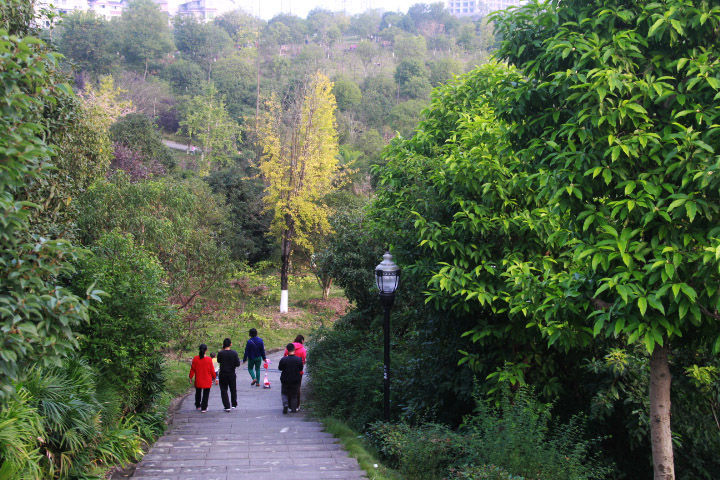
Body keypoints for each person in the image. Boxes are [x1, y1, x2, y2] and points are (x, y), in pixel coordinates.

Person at [189, 343, 216, 413]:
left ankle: (198, 405)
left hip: (198, 379)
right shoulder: (209, 359)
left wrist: (190, 377)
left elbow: (192, 369)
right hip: (207, 379)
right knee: (206, 394)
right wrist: (214, 377)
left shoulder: (195, 358)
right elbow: (212, 370)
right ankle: (204, 408)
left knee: (198, 393)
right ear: (206, 350)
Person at [278, 343, 304, 414]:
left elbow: (280, 368)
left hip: (285, 379)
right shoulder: (298, 359)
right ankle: (293, 409)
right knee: (294, 395)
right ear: (294, 349)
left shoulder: (283, 359)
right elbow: (301, 369)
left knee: (284, 393)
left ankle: (285, 403)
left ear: (287, 350)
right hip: (295, 379)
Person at [217, 338, 241, 412]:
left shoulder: (221, 353)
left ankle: (227, 406)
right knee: (233, 389)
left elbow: (218, 360)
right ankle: (234, 404)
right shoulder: (234, 353)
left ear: (223, 345)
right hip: (231, 373)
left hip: (223, 373)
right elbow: (238, 364)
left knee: (224, 390)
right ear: (230, 344)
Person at [283, 335, 307, 409]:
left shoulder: (289, 348)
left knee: (288, 388)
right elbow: (303, 361)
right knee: (297, 389)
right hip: (298, 373)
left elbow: (284, 358)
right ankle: (297, 406)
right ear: (302, 341)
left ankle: (289, 406)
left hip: (288, 372)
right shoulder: (303, 350)